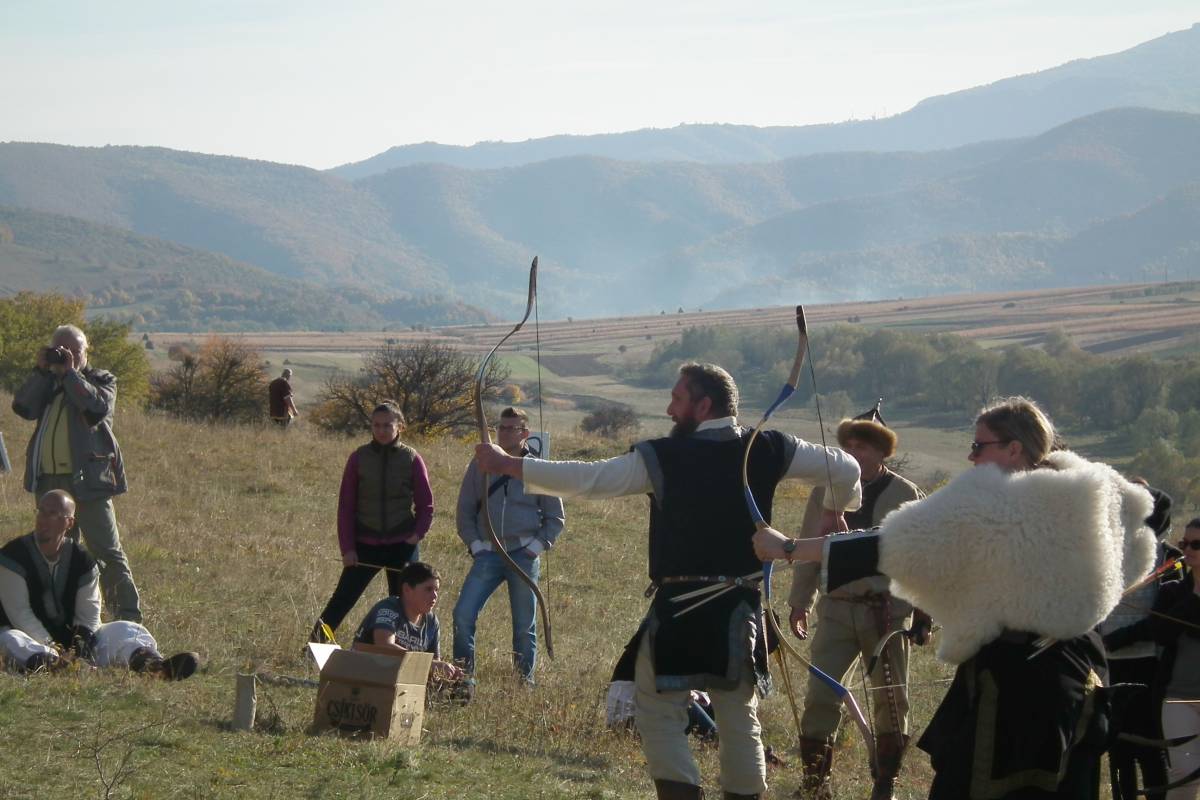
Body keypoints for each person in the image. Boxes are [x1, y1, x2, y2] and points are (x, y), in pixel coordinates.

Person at [475, 362, 861, 800]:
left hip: (680, 610)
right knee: (739, 717)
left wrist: (512, 466)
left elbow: (592, 479)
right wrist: (835, 507)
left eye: (678, 399)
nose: (669, 408)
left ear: (703, 404)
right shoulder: (768, 447)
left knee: (659, 711)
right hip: (739, 610)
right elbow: (845, 468)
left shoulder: (665, 456)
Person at [755, 396, 1158, 799]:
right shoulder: (1086, 489)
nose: (970, 456)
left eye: (980, 446)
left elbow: (892, 544)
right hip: (1081, 673)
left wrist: (787, 547)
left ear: (1013, 448)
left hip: (1016, 682)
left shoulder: (995, 504)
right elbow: (1148, 524)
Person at [787, 406, 927, 800]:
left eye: (862, 446)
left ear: (882, 451)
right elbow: (808, 547)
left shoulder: (906, 494)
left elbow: (924, 559)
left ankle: (885, 784)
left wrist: (922, 613)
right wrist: (800, 602)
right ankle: (816, 787)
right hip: (835, 609)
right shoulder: (826, 490)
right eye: (847, 445)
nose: (853, 452)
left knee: (891, 701)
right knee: (820, 697)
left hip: (886, 613)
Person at [11, 324, 141, 622]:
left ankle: (128, 621)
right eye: (60, 349)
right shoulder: (49, 382)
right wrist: (42, 370)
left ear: (86, 352)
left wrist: (71, 374)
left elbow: (96, 409)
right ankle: (63, 617)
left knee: (106, 553)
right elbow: (23, 407)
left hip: (89, 480)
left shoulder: (101, 380)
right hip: (49, 482)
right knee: (55, 553)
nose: (67, 355)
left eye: (75, 351)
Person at [0, 490, 198, 679]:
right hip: (31, 639)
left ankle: (154, 668)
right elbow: (20, 615)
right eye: (41, 511)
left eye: (52, 513)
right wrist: (56, 651)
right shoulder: (13, 556)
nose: (43, 518)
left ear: (68, 523)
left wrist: (80, 650)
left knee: (127, 628)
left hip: (75, 645)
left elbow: (89, 615)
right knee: (10, 639)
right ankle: (58, 667)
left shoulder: (83, 561)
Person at [453, 407, 565, 684]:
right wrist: (476, 545)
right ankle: (462, 680)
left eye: (510, 428)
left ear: (525, 434)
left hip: (523, 555)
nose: (502, 432)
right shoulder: (480, 464)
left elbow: (555, 517)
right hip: (488, 554)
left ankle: (522, 684)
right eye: (500, 427)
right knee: (463, 615)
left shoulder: (539, 468)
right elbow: (465, 509)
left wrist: (536, 548)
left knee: (523, 627)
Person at [311, 401, 433, 642]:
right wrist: (348, 548)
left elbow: (426, 503)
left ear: (400, 426)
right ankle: (314, 646)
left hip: (402, 544)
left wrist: (416, 535)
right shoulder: (358, 458)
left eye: (387, 425)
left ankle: (403, 654)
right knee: (342, 599)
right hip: (365, 543)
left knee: (406, 605)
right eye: (376, 425)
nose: (381, 430)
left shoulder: (412, 458)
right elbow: (345, 506)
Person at [1104, 517, 1200, 800]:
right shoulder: (1172, 591)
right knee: (1183, 772)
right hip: (1178, 695)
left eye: (1197, 544)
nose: (1188, 549)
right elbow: (1162, 632)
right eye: (1184, 543)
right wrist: (1195, 594)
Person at [1097, 484, 1175, 800]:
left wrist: (1122, 637)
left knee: (1149, 745)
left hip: (1147, 664)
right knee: (1118, 746)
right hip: (1109, 664)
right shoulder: (1107, 551)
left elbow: (1164, 618)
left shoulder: (1167, 556)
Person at [352, 561, 466, 688]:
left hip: (404, 682)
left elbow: (434, 664)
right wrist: (427, 664)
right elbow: (383, 645)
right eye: (428, 589)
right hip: (367, 675)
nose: (435, 596)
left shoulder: (432, 622)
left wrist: (447, 673)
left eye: (437, 590)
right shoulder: (389, 608)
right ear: (407, 589)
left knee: (463, 688)